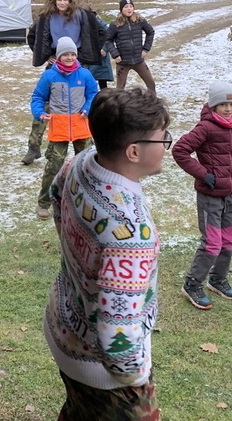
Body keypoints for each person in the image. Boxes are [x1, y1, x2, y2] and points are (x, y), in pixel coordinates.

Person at [44, 87, 170, 421]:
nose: (166, 146)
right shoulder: (130, 233)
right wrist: (137, 375)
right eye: (162, 139)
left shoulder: (82, 162)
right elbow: (116, 334)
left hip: (62, 324)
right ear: (134, 151)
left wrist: (78, 259)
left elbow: (55, 195)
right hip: (101, 373)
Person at [172, 81, 232, 309]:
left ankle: (218, 279)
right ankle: (192, 284)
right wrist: (203, 174)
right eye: (223, 104)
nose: (228, 109)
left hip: (230, 193)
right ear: (213, 105)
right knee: (212, 243)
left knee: (228, 240)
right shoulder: (206, 127)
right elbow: (180, 150)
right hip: (210, 196)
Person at [22, 0, 106, 165]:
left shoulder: (82, 15)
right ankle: (34, 147)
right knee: (46, 105)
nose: (62, 3)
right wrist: (46, 55)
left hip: (77, 63)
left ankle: (86, 146)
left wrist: (84, 54)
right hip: (56, 64)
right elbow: (33, 37)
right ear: (54, 1)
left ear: (70, 1)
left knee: (83, 106)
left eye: (65, 0)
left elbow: (101, 33)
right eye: (59, 0)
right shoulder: (45, 17)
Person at [31, 36, 99, 220]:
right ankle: (44, 203)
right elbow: (38, 97)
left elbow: (93, 93)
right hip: (59, 128)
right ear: (59, 56)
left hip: (81, 127)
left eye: (72, 54)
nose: (69, 57)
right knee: (54, 166)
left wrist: (88, 108)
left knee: (86, 166)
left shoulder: (84, 74)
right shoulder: (49, 76)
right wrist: (39, 113)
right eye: (65, 54)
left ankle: (89, 201)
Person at [105, 0, 156, 95]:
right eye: (126, 7)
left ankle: (153, 102)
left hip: (138, 60)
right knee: (120, 89)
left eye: (131, 6)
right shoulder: (115, 24)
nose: (129, 9)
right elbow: (108, 40)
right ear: (121, 9)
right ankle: (118, 104)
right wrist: (115, 54)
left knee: (151, 84)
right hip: (123, 62)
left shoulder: (140, 21)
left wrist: (145, 49)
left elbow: (150, 32)